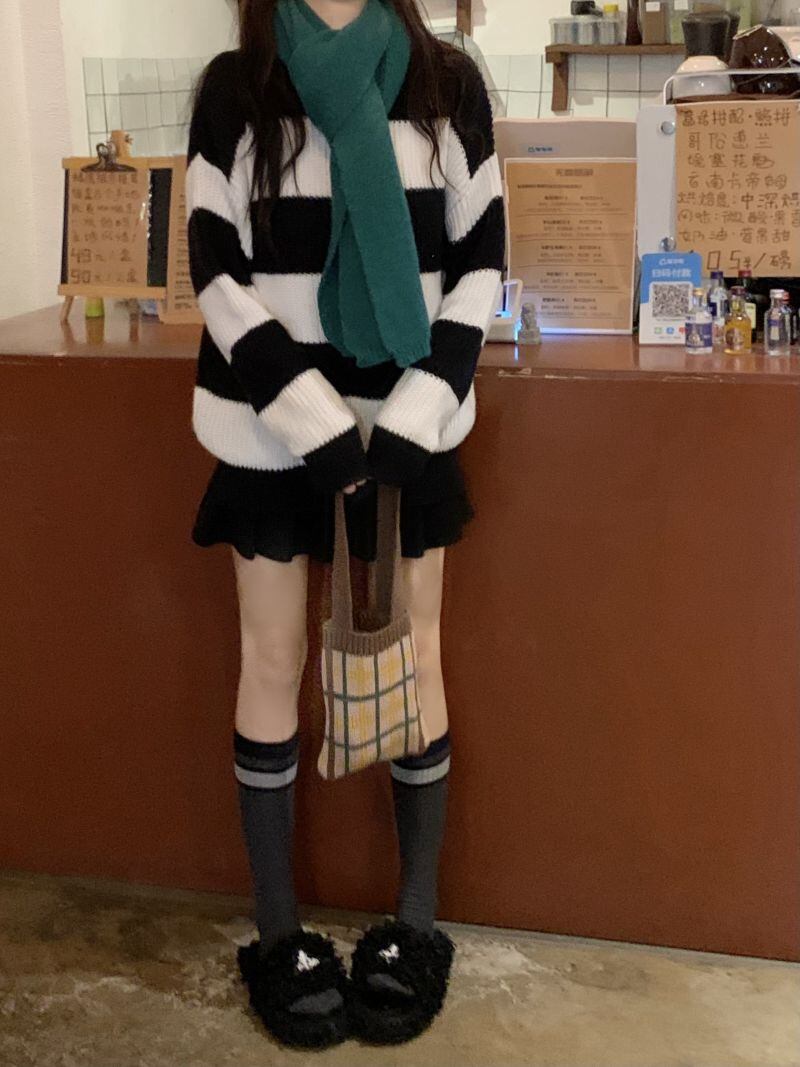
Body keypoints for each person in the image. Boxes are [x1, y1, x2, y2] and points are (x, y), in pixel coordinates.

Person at [185, 0, 504, 1049]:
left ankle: (414, 923)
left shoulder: (447, 84)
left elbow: (481, 262)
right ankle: (278, 933)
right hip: (270, 428)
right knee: (271, 659)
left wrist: (418, 411)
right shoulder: (236, 90)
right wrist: (311, 420)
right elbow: (215, 271)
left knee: (417, 658)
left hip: (408, 425)